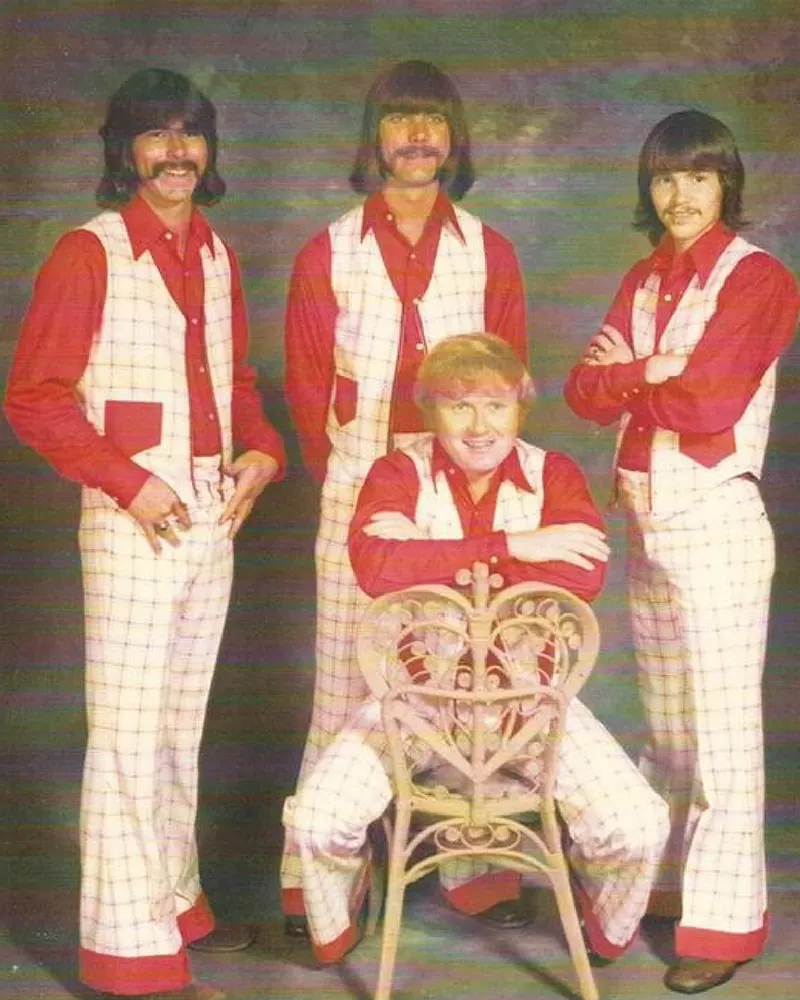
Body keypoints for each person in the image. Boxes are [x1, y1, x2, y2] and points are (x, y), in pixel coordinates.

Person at [4, 68, 286, 1000]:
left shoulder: (215, 253)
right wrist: (129, 483)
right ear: (125, 151)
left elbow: (237, 383)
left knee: (177, 725)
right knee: (128, 735)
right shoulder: (88, 254)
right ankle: (129, 955)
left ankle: (174, 902)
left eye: (190, 134)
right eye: (156, 135)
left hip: (211, 511)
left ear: (208, 149)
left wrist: (262, 451)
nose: (176, 152)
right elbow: (35, 398)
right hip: (131, 518)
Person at [283, 333, 670, 965]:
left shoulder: (554, 473)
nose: (480, 425)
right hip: (414, 706)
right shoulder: (395, 471)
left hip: (530, 708)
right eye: (459, 406)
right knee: (316, 821)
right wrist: (518, 546)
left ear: (519, 409)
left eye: (495, 406)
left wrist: (427, 552)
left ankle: (597, 915)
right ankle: (341, 920)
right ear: (432, 412)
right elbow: (377, 566)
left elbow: (583, 574)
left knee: (638, 827)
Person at [281, 59, 528, 929]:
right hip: (359, 485)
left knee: (462, 672)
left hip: (463, 493)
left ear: (453, 137)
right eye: (400, 120)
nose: (418, 136)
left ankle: (474, 866)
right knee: (342, 681)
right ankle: (322, 882)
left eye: (432, 120)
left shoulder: (489, 250)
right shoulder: (330, 250)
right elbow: (306, 388)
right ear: (374, 137)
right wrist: (356, 477)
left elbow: (508, 386)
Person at [563, 109, 799, 994]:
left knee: (724, 734)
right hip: (647, 521)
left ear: (725, 183)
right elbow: (583, 391)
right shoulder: (645, 277)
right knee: (668, 727)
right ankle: (656, 890)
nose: (680, 195)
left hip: (715, 522)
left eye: (698, 176)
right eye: (665, 178)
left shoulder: (759, 278)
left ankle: (724, 924)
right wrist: (647, 371)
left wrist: (638, 375)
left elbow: (708, 403)